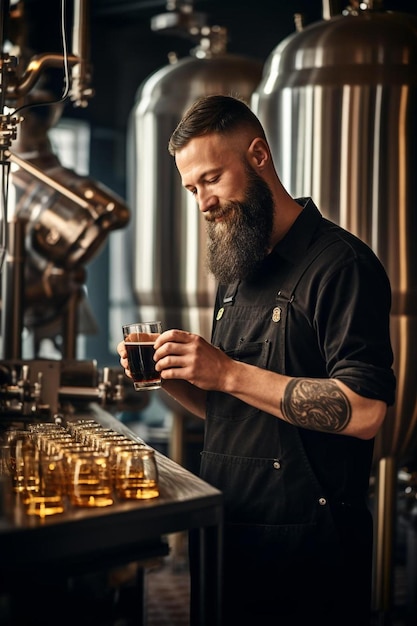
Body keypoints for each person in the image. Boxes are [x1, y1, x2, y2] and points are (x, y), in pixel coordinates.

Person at [117, 94, 396, 626]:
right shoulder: (237, 269)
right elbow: (238, 411)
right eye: (192, 188)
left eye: (212, 178)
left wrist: (225, 370)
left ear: (259, 155)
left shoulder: (342, 265)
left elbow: (366, 412)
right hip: (230, 533)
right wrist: (177, 376)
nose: (202, 202)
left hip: (309, 558)